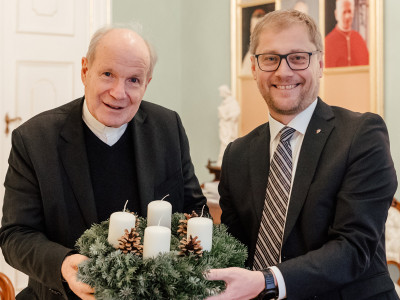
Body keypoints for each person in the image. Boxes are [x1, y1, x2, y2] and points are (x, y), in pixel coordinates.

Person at [0, 26, 207, 299]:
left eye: (134, 80)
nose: (119, 93)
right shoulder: (35, 139)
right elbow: (16, 235)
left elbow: (194, 211)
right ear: (85, 71)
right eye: (108, 74)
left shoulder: (168, 128)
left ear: (147, 83)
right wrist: (64, 264)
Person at [206, 9, 398, 300]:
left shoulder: (362, 135)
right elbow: (235, 251)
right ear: (255, 68)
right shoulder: (237, 154)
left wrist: (268, 281)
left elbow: (354, 248)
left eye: (298, 57)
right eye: (270, 58)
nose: (283, 71)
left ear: (320, 64)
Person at [325, 0, 369, 68]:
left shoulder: (358, 38)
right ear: (336, 14)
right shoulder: (328, 41)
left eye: (350, 11)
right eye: (344, 12)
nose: (347, 16)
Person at [217, 85, 240, 166]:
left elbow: (236, 112)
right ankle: (222, 158)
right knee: (224, 142)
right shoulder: (224, 103)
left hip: (229, 126)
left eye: (221, 92)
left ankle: (227, 158)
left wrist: (228, 116)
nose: (220, 94)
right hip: (224, 126)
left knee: (227, 141)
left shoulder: (232, 102)